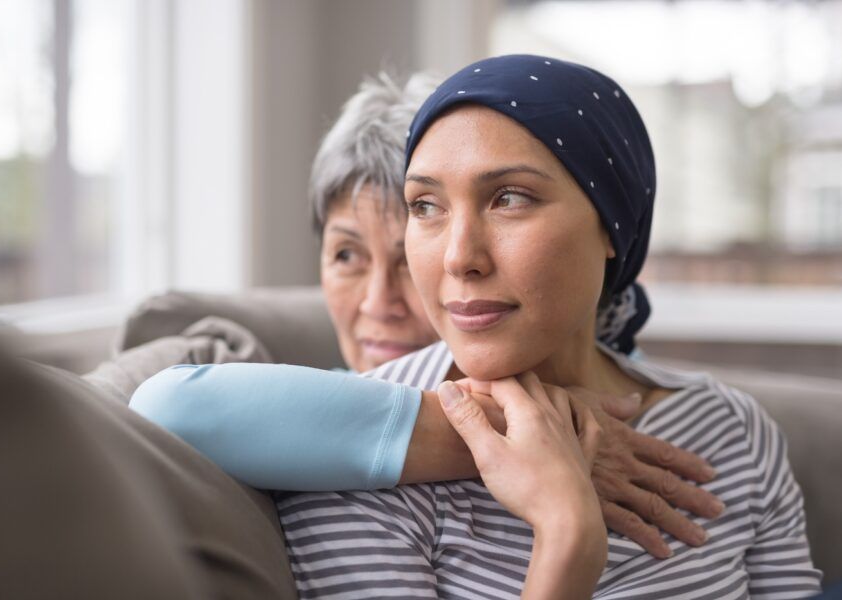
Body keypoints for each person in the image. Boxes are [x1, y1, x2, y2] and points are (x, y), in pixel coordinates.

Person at [267, 55, 822, 598]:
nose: (459, 257)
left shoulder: (733, 429)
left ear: (611, 226)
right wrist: (567, 538)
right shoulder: (352, 454)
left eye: (509, 198)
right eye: (426, 205)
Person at [132, 71, 723, 559]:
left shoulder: (681, 414)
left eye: (507, 201)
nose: (377, 302)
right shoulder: (324, 423)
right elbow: (167, 409)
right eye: (346, 255)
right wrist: (516, 434)